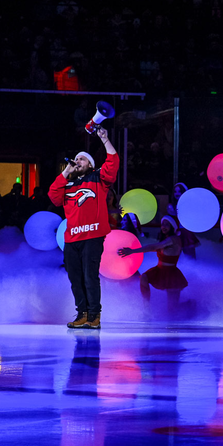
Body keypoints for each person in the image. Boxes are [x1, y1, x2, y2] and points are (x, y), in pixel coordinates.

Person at [49, 128, 119, 330]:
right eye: (76, 159)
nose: (77, 161)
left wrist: (104, 139)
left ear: (90, 164)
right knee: (75, 278)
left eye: (82, 159)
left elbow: (113, 164)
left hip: (92, 235)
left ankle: (94, 315)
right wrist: (65, 172)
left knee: (90, 276)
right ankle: (82, 313)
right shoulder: (67, 184)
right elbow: (53, 196)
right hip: (71, 238)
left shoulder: (98, 179)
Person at [119, 216, 189, 314]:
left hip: (171, 274)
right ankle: (146, 308)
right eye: (162, 224)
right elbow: (153, 248)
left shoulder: (174, 239)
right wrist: (134, 251)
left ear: (172, 226)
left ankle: (192, 306)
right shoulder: (166, 240)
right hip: (159, 270)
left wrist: (132, 251)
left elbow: (154, 246)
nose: (163, 226)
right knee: (144, 277)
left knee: (172, 310)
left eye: (166, 224)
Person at [165, 182, 200, 259]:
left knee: (190, 257)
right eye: (175, 191)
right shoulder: (171, 206)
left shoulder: (189, 206)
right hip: (174, 233)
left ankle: (191, 270)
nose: (177, 193)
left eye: (179, 191)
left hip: (186, 232)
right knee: (174, 257)